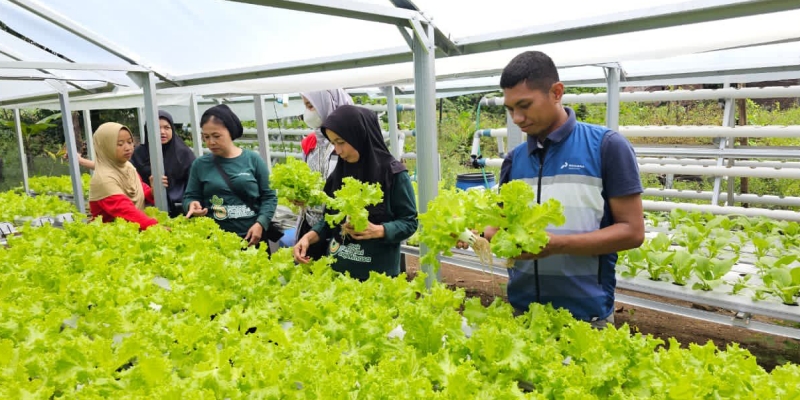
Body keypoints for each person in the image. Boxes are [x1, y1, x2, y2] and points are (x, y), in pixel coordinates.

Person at [480, 51, 644, 329]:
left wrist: (557, 245)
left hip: (586, 319)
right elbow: (499, 225)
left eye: (524, 105)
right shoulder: (515, 159)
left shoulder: (606, 147)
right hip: (523, 313)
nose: (517, 118)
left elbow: (633, 231)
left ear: (556, 93)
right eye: (510, 109)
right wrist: (482, 234)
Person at [293, 105, 418, 281]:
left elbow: (409, 222)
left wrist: (379, 230)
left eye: (341, 142)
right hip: (336, 272)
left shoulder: (393, 173)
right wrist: (308, 237)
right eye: (333, 143)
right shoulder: (339, 172)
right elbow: (330, 220)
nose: (338, 151)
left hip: (377, 278)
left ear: (359, 135)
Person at [183, 104, 278, 249]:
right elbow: (190, 195)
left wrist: (261, 223)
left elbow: (269, 196)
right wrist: (191, 204)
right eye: (206, 137)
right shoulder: (200, 165)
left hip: (251, 238)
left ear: (231, 132)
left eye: (216, 136)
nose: (211, 142)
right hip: (215, 240)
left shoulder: (253, 160)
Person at [294, 89, 354, 259]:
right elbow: (309, 181)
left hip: (341, 229)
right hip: (311, 228)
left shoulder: (350, 144)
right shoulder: (310, 143)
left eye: (310, 106)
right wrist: (302, 196)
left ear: (327, 104)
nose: (307, 113)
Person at [88, 122, 159, 230]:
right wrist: (155, 227)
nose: (128, 148)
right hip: (111, 236)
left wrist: (152, 192)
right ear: (106, 147)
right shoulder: (103, 179)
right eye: (120, 144)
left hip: (133, 230)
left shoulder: (128, 167)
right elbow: (124, 210)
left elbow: (139, 189)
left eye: (130, 142)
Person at [131, 110, 196, 218]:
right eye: (157, 128)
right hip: (147, 211)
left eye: (167, 127)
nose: (162, 132)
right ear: (148, 130)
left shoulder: (183, 153)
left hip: (180, 210)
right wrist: (151, 189)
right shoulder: (138, 154)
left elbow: (193, 183)